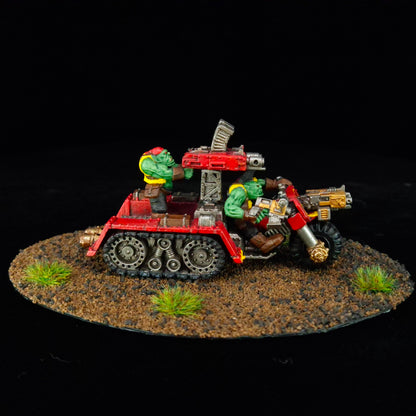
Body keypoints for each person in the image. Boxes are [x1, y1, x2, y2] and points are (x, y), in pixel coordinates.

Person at [224, 177, 292, 254]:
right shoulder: (239, 192)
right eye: (257, 186)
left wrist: (275, 184)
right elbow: (229, 208)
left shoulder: (249, 185)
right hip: (240, 221)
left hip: (249, 215)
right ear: (247, 186)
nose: (260, 189)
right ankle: (262, 244)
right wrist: (246, 214)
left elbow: (261, 183)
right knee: (247, 227)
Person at [139, 147, 193, 213]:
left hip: (165, 184)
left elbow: (173, 165)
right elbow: (164, 173)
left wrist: (185, 166)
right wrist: (184, 173)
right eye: (164, 155)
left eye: (167, 154)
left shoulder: (158, 159)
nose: (168, 157)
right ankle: (159, 215)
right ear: (156, 156)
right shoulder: (146, 163)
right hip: (156, 186)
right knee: (159, 206)